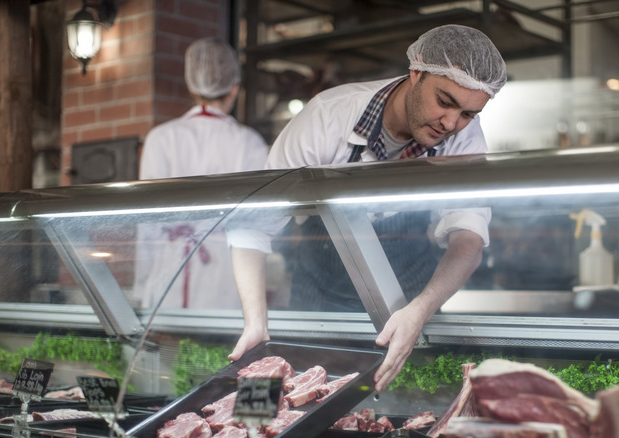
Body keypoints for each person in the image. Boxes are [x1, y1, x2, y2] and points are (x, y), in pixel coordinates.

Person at [226, 24, 506, 392]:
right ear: (416, 73)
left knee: (400, 415)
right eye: (445, 101)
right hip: (318, 306)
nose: (452, 124)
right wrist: (255, 324)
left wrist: (420, 311)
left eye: (469, 114)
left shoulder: (465, 139)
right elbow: (252, 226)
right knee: (296, 411)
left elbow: (468, 238)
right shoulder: (326, 118)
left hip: (408, 312)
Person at [134, 37, 269, 310]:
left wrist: (140, 286)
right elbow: (261, 224)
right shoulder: (249, 141)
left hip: (165, 276)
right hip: (229, 278)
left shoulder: (160, 138)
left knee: (168, 350)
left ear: (191, 87)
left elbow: (147, 223)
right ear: (234, 89)